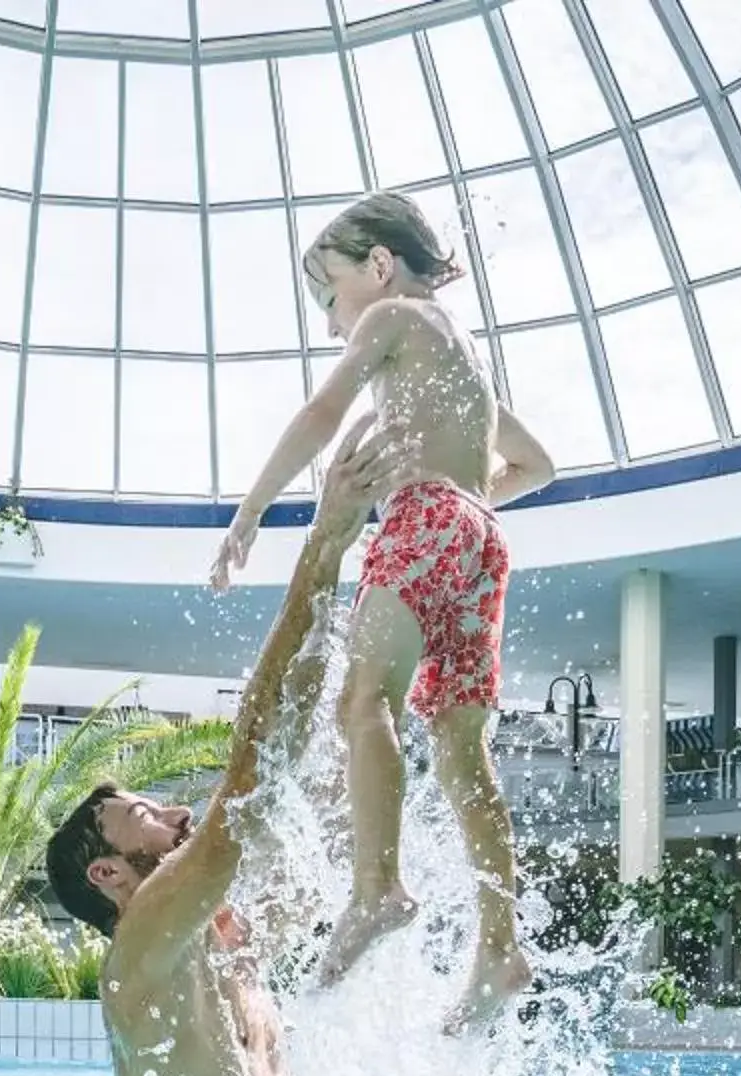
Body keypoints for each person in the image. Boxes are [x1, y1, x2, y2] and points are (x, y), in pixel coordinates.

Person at [207, 192, 556, 1032]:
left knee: (363, 703)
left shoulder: (396, 316)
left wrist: (249, 514)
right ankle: (499, 947)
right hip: (482, 538)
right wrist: (465, 501)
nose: (333, 323)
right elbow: (537, 465)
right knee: (463, 750)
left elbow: (322, 414)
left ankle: (377, 889)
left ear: (379, 264)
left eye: (329, 295)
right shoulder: (465, 360)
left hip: (428, 520)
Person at [49, 420, 411, 1076]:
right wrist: (323, 541)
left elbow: (280, 754)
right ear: (109, 875)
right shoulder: (140, 948)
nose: (178, 814)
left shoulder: (221, 944)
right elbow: (252, 762)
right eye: (143, 816)